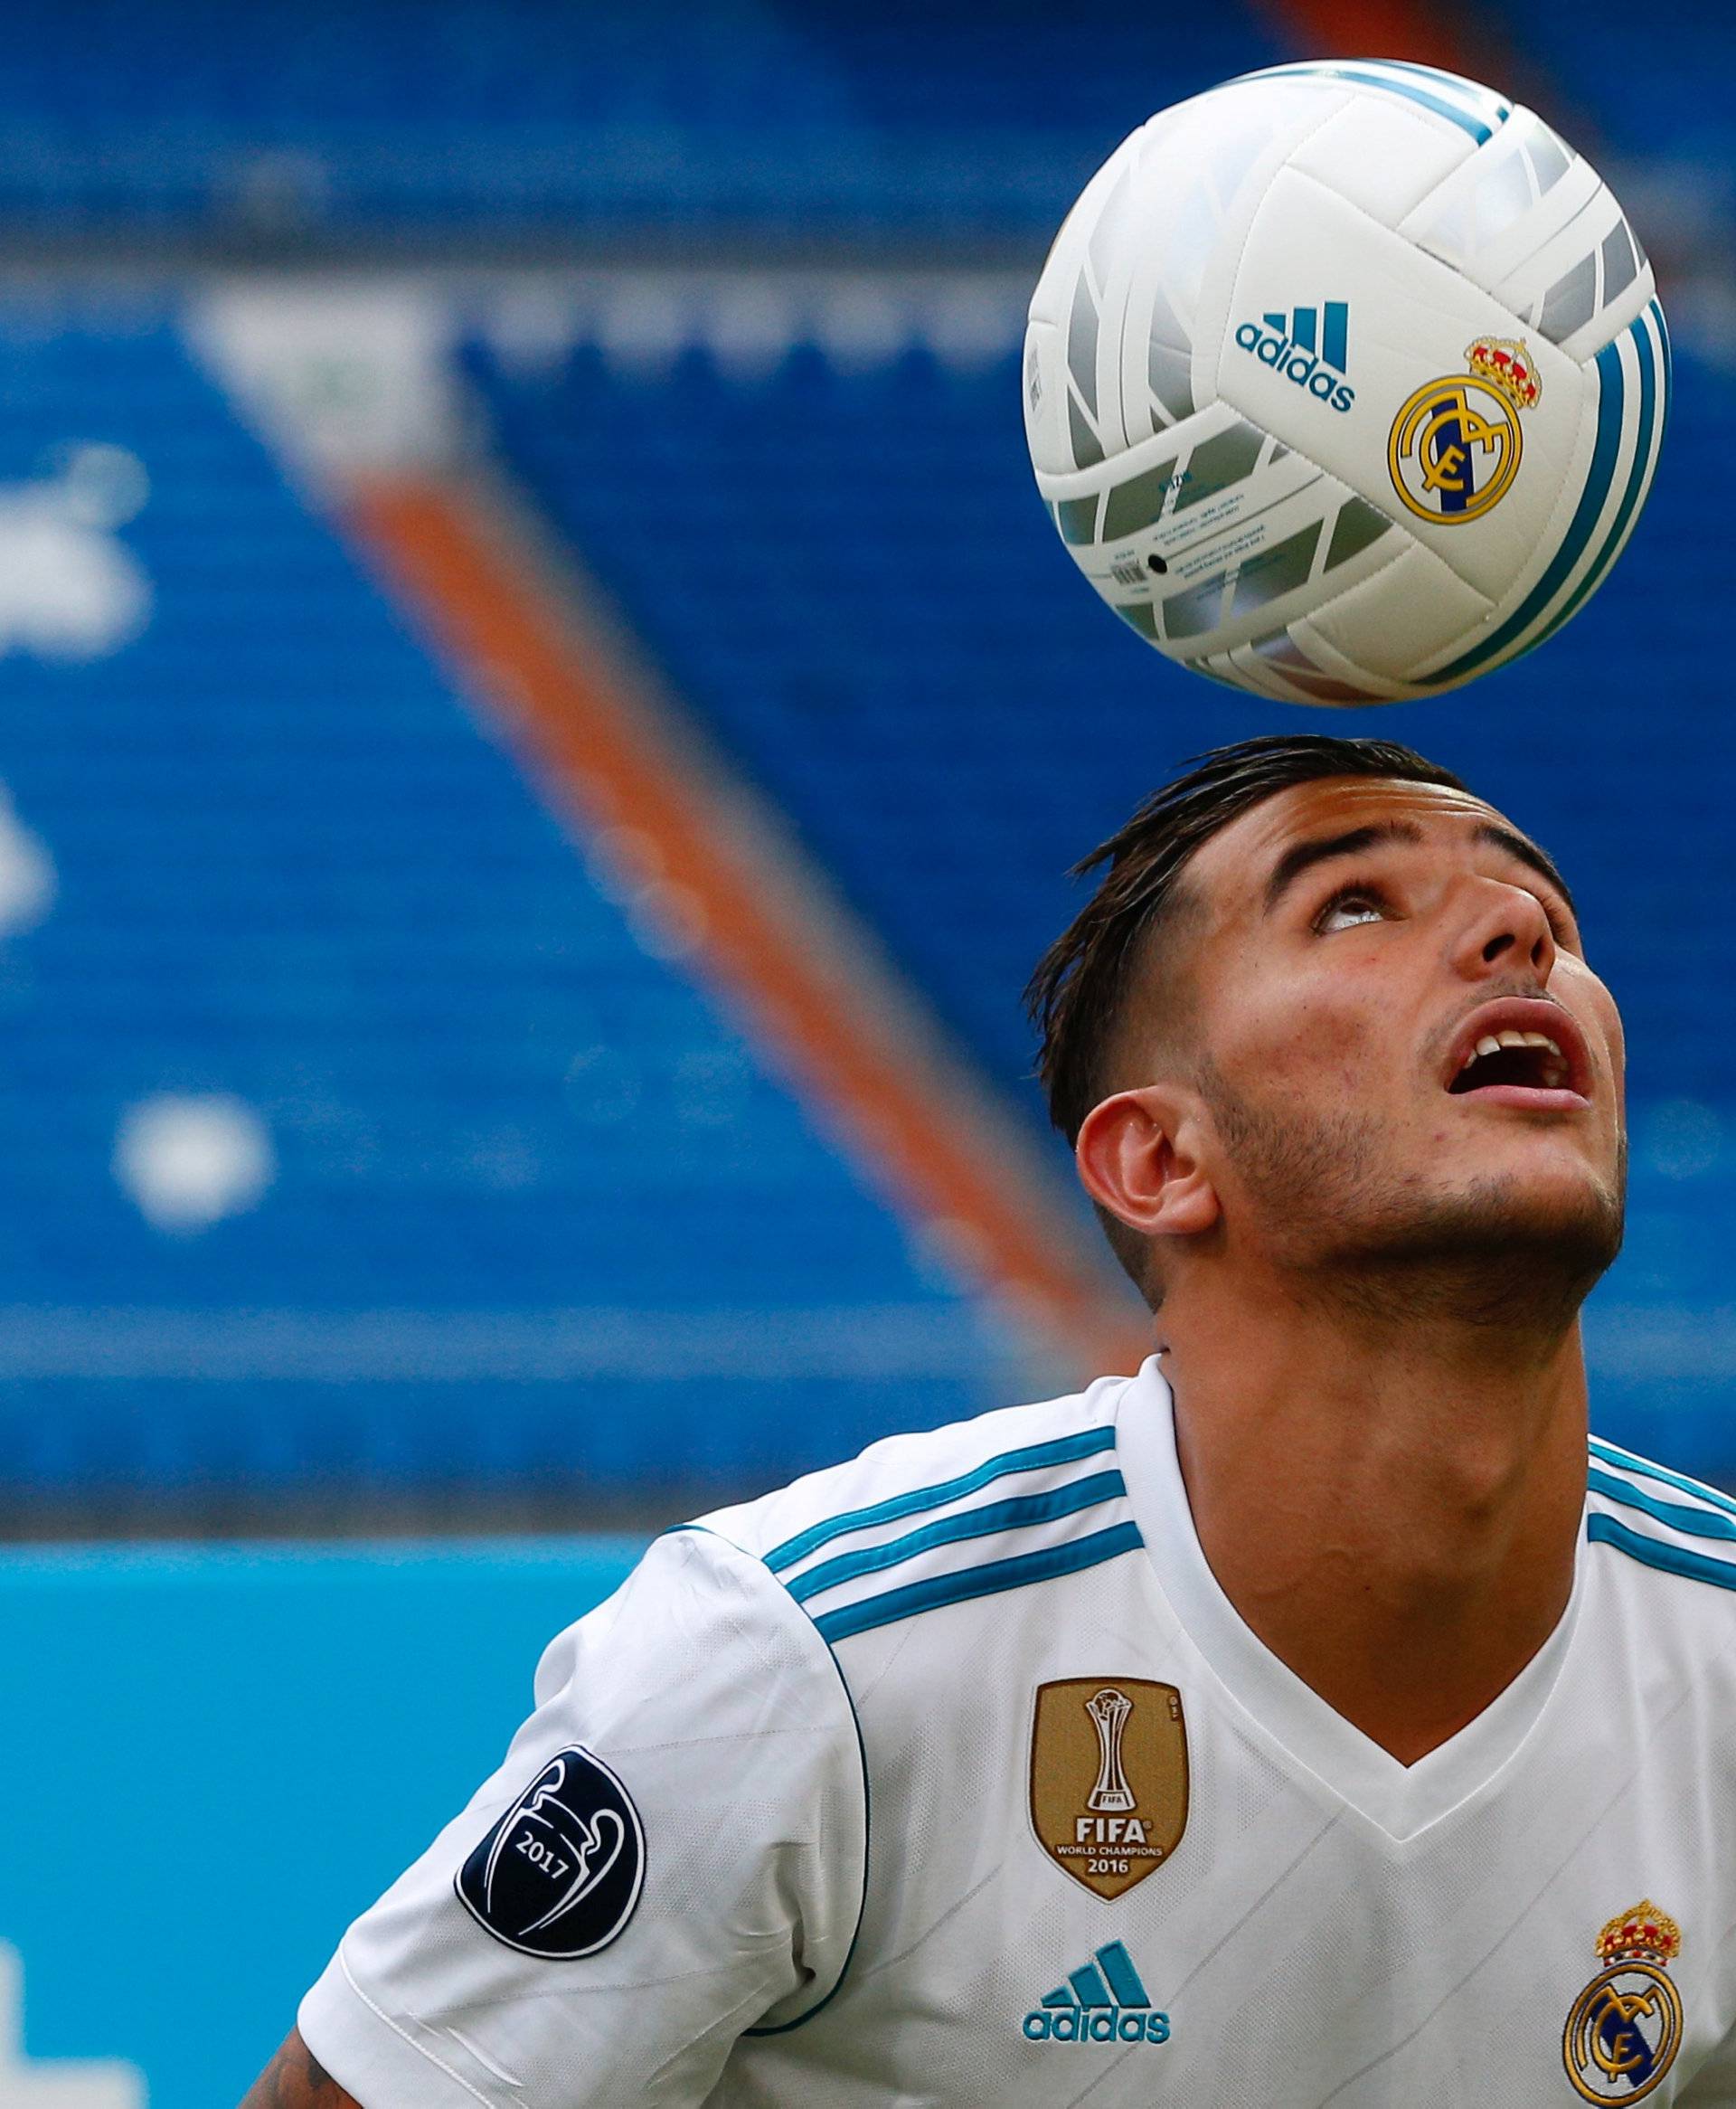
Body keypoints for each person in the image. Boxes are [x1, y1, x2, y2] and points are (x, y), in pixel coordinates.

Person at [244, 733, 1736, 2107]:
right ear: (1157, 1159)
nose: (1522, 935)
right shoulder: (806, 1659)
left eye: (1546, 912)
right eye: (1353, 906)